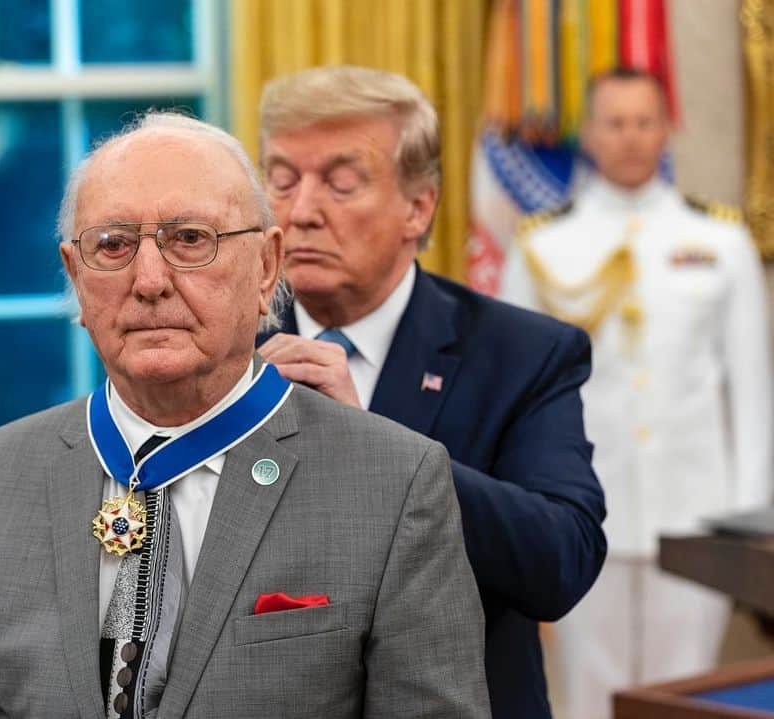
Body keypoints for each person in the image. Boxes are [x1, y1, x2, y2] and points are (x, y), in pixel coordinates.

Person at [0, 112, 491, 718]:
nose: (149, 281)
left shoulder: (393, 482)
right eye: (113, 245)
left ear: (266, 268)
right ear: (75, 275)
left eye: (190, 240)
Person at [255, 65, 606, 719]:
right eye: (280, 180)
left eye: (340, 182)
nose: (300, 211)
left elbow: (562, 559)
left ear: (417, 208)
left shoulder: (523, 353)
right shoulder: (223, 353)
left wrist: (376, 446)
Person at [501, 67, 774, 719]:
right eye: (615, 122)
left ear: (668, 130)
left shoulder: (719, 241)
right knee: (591, 693)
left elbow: (751, 388)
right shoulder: (544, 243)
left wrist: (745, 515)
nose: (630, 137)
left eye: (645, 121)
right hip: (580, 505)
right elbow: (513, 389)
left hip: (695, 511)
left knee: (687, 692)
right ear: (589, 135)